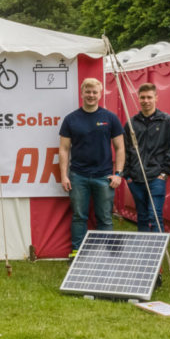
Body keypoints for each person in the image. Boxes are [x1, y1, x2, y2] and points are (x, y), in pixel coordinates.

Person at [58, 78, 125, 253]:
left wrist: (118, 173)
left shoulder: (110, 118)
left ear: (100, 94)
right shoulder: (71, 119)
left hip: (104, 176)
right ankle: (77, 253)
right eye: (88, 92)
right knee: (79, 217)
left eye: (95, 92)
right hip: (78, 176)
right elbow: (64, 149)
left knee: (104, 218)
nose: (91, 95)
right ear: (82, 93)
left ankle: (105, 254)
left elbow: (120, 148)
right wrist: (64, 176)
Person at [122, 83, 170, 232]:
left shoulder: (166, 121)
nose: (146, 101)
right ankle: (144, 251)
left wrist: (164, 173)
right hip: (135, 178)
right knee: (142, 215)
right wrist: (127, 175)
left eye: (149, 97)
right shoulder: (131, 123)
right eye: (142, 97)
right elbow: (125, 149)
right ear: (138, 99)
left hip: (156, 177)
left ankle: (156, 251)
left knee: (154, 215)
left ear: (156, 98)